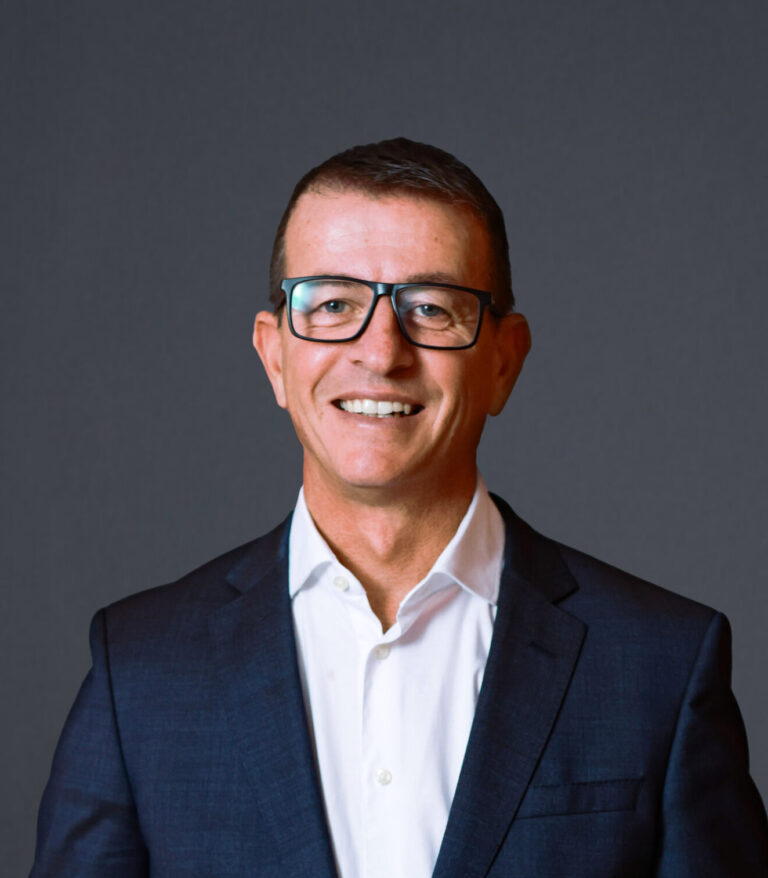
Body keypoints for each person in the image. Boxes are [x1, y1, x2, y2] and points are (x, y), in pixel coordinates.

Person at [31, 138, 768, 878]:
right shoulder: (142, 671)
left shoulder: (661, 667)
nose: (381, 353)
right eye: (332, 304)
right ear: (274, 355)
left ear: (504, 361)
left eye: (431, 309)